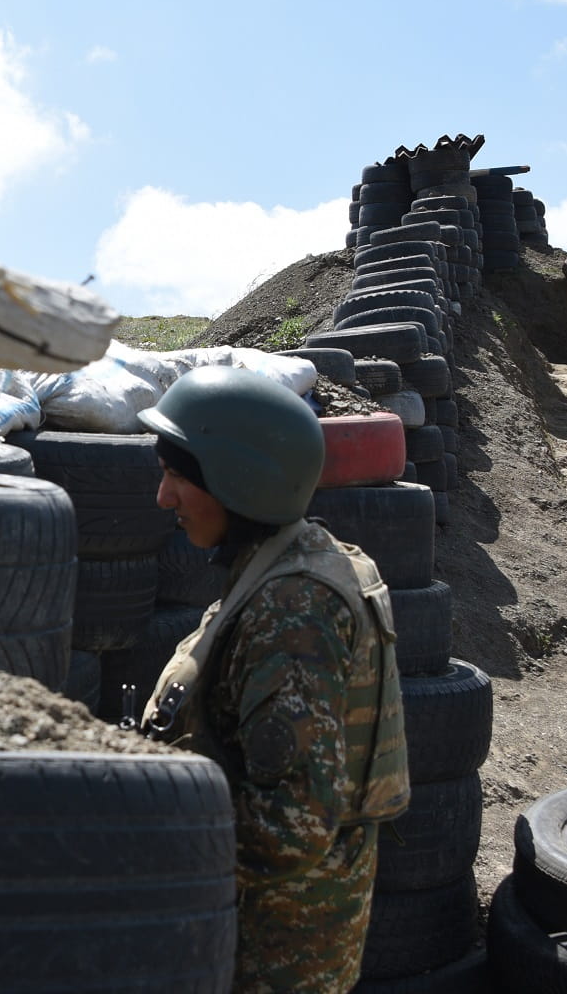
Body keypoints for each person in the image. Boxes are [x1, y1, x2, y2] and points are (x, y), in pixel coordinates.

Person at [134, 366, 408, 992]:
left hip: (272, 946)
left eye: (178, 475)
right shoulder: (286, 563)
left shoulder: (292, 611)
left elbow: (290, 826)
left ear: (238, 482)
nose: (163, 497)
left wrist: (145, 844)